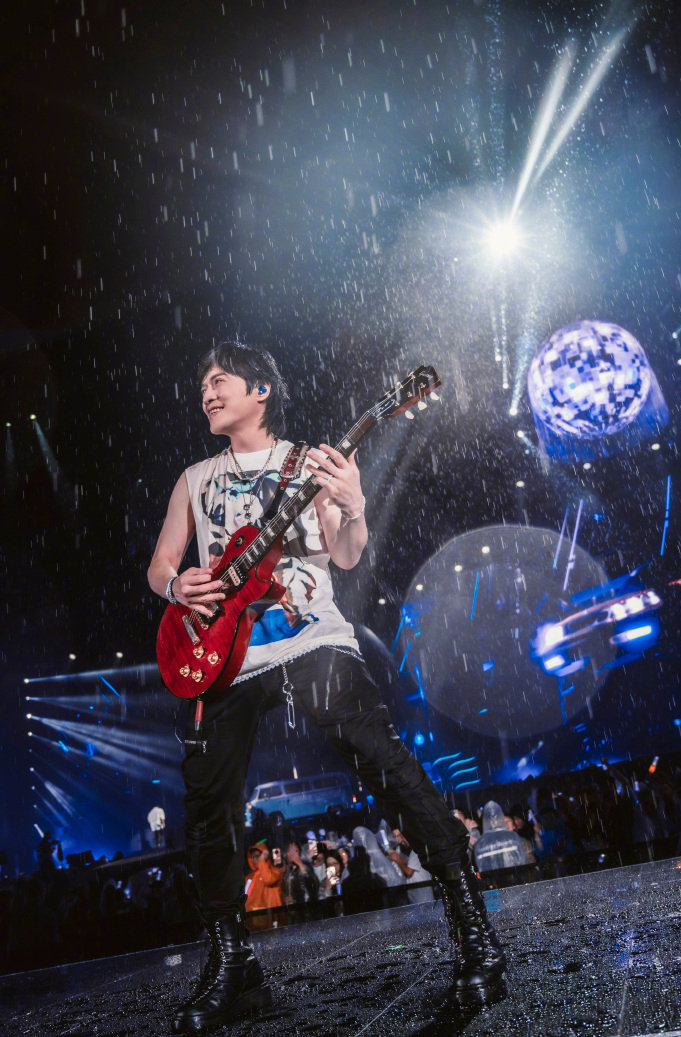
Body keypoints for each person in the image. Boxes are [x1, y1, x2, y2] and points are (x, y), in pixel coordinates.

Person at [147, 341, 506, 1032]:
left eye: (219, 380)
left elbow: (344, 554)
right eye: (202, 385)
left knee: (380, 756)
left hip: (312, 635)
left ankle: (472, 928)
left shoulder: (309, 463)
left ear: (260, 390)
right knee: (208, 800)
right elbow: (162, 563)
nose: (207, 393)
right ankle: (233, 964)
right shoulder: (194, 479)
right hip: (225, 654)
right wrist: (175, 585)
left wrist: (355, 504)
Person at [472, 802, 527, 873]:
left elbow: (481, 868)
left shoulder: (480, 843)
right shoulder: (513, 837)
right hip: (514, 877)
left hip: (493, 879)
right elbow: (522, 862)